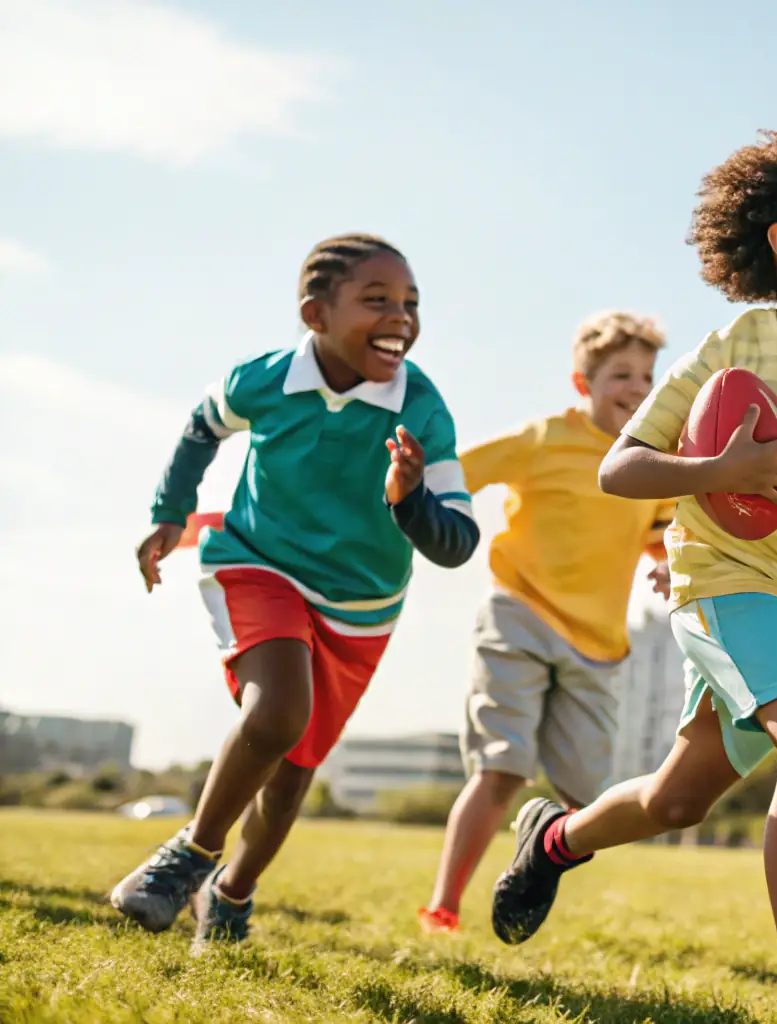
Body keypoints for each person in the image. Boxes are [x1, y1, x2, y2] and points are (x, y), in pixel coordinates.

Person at [488, 126, 777, 1024]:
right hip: (722, 580)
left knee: (678, 800)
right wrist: (717, 475)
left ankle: (554, 840)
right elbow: (619, 469)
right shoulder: (737, 344)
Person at [111, 234, 480, 949]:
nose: (400, 316)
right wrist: (170, 511)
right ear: (316, 313)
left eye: (410, 303)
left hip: (361, 606)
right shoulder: (266, 379)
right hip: (259, 560)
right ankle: (187, 856)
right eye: (376, 301)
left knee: (290, 778)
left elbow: (457, 543)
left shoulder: (423, 410)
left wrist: (408, 501)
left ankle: (230, 894)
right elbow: (201, 427)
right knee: (278, 712)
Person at [417, 311, 673, 934]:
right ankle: (444, 906)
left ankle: (532, 862)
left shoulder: (651, 463)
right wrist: (408, 488)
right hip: (520, 616)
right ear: (583, 385)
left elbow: (660, 537)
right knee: (502, 766)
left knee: (587, 803)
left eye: (646, 376)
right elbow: (454, 470)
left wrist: (668, 565)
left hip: (599, 644)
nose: (637, 389)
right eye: (621, 375)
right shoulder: (543, 439)